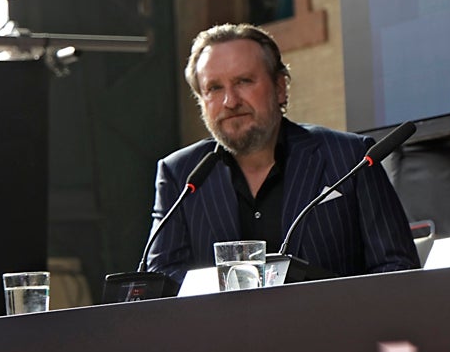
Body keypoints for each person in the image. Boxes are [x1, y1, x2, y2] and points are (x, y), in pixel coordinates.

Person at [146, 23, 419, 282]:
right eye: (214, 88)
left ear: (280, 87)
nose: (230, 101)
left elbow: (397, 268)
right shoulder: (179, 175)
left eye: (243, 81)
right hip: (223, 331)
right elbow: (164, 282)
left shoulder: (351, 158)